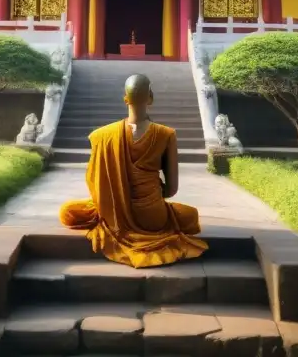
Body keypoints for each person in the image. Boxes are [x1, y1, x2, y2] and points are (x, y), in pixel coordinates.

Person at [58, 73, 208, 268]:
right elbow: (171, 190)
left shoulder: (102, 135)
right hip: (154, 217)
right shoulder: (166, 134)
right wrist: (148, 195)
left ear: (125, 99)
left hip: (114, 216)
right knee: (190, 216)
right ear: (151, 98)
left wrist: (118, 198)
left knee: (67, 211)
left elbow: (95, 183)